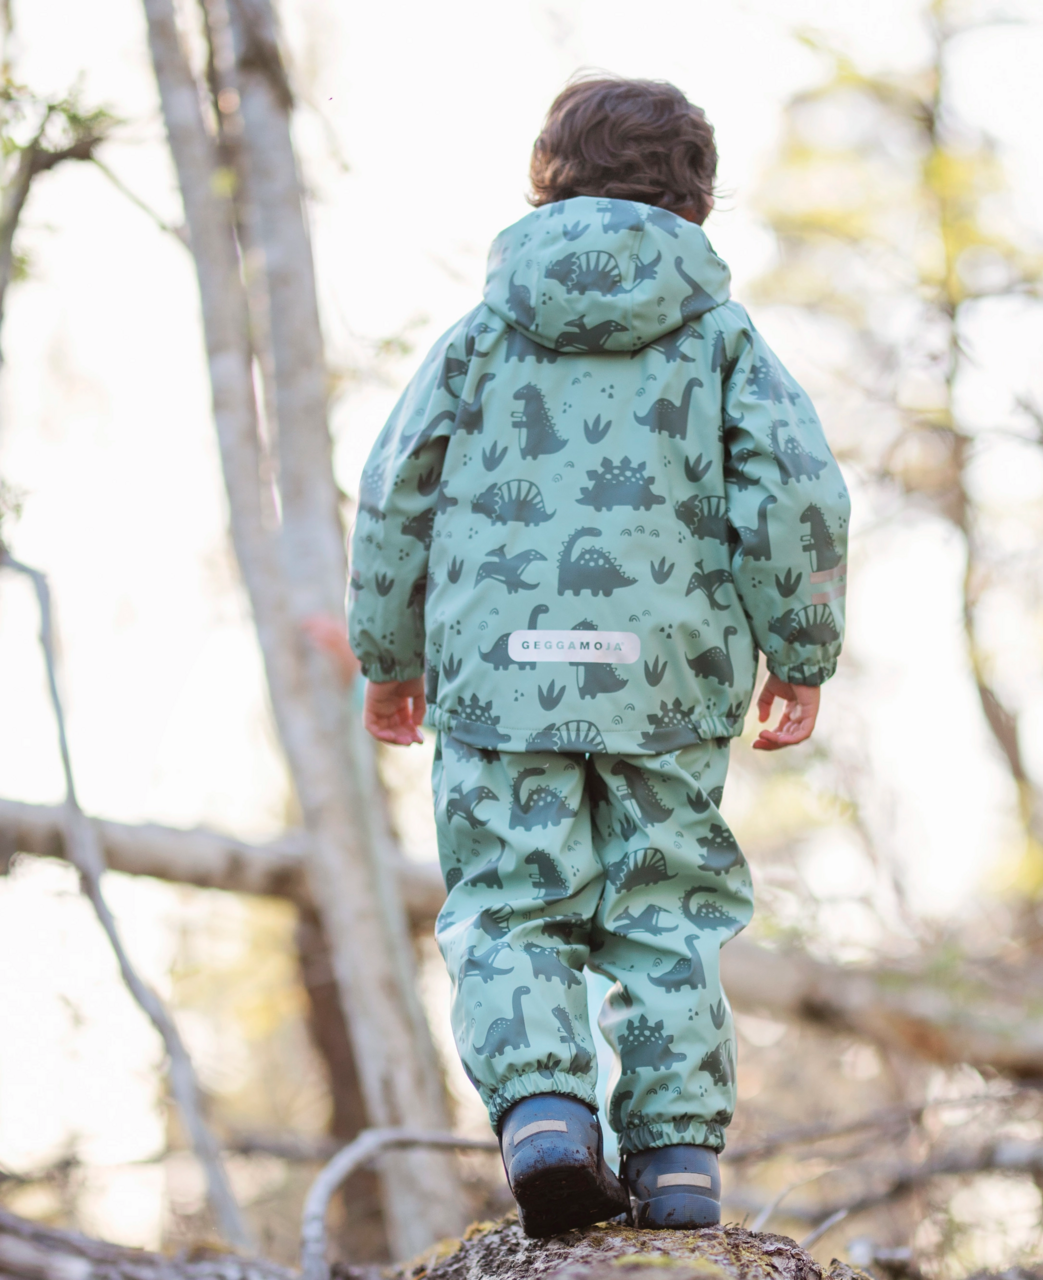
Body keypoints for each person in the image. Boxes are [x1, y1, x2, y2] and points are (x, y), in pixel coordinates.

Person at [347, 75, 850, 1237]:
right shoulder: (721, 337)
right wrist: (800, 648)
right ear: (702, 198)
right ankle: (676, 1161)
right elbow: (797, 492)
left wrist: (388, 650)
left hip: (497, 679)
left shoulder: (479, 333)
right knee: (667, 906)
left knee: (514, 899)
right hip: (664, 679)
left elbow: (393, 488)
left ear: (543, 177)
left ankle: (543, 1122)